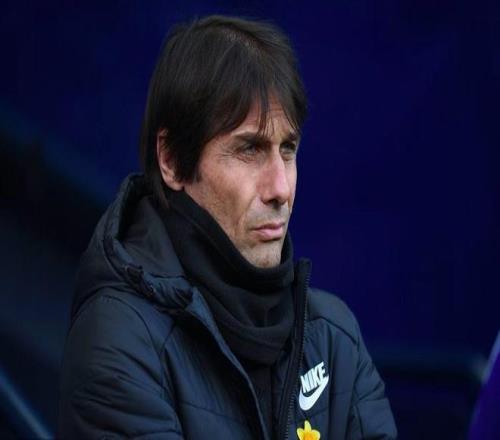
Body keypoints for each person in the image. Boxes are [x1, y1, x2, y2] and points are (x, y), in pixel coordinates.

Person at [58, 15, 397, 439]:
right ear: (171, 160)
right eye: (250, 149)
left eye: (288, 149)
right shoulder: (119, 339)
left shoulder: (333, 336)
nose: (280, 189)